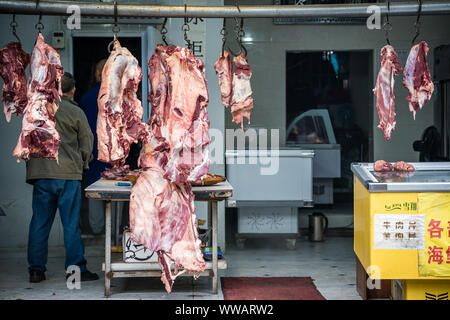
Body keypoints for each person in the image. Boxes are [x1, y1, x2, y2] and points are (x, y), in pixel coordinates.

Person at [26, 72, 99, 283]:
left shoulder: (37, 109)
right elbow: (87, 143)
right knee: (70, 223)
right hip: (67, 176)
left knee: (39, 223)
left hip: (41, 175)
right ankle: (76, 271)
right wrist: (84, 163)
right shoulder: (75, 112)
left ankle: (36, 271)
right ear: (72, 90)